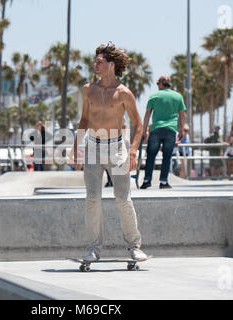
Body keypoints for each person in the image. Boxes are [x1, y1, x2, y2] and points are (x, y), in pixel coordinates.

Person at [72, 42, 147, 262]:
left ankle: (134, 246)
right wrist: (76, 145)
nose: (95, 65)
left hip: (117, 148)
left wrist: (132, 151)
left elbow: (138, 125)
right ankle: (94, 249)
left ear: (111, 65)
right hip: (93, 146)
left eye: (100, 62)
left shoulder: (124, 93)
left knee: (123, 199)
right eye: (95, 61)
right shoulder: (88, 90)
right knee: (92, 199)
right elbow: (85, 119)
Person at [140, 76, 187, 189]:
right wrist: (182, 129)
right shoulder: (177, 96)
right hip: (171, 130)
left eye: (157, 84)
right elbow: (182, 114)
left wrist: (144, 130)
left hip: (156, 129)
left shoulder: (154, 96)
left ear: (161, 84)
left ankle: (147, 180)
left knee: (151, 156)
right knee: (167, 156)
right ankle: (164, 182)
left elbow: (147, 114)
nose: (157, 86)